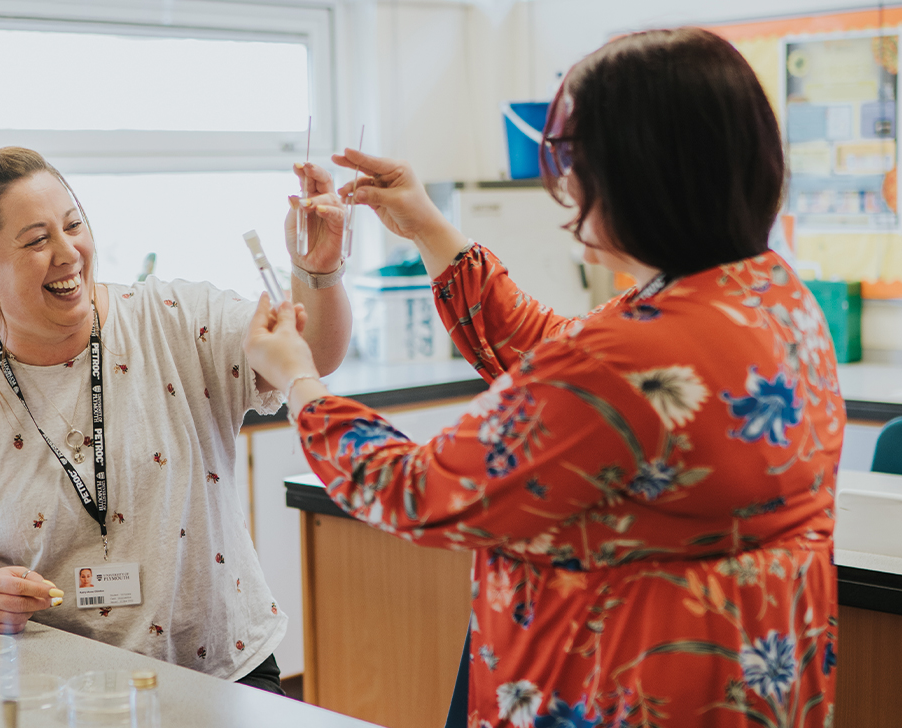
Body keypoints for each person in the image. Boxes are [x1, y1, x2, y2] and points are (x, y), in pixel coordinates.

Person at [244, 28, 842, 725]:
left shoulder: (625, 361)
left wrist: (298, 380)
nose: (563, 188)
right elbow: (553, 355)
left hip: (626, 692)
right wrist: (429, 226)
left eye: (573, 164)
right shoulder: (768, 296)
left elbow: (417, 490)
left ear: (640, 176)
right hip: (746, 683)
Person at [0, 147, 351, 691]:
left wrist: (318, 272)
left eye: (73, 224)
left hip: (220, 670)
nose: (68, 253)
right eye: (36, 240)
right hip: (52, 688)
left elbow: (309, 354)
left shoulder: (177, 322)